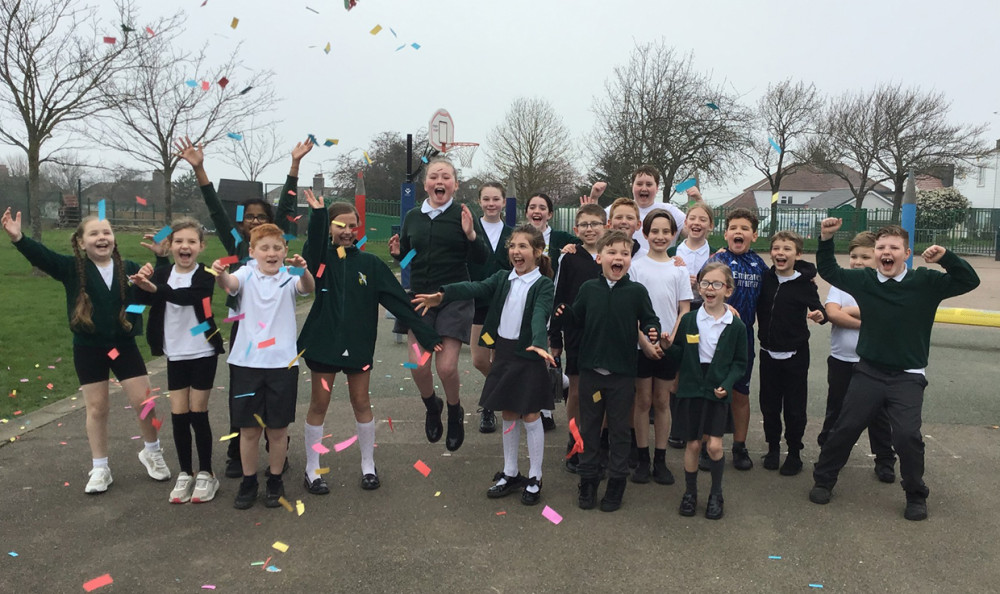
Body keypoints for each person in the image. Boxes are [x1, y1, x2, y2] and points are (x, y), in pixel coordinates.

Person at [809, 219, 979, 521]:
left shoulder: (925, 282)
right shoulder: (866, 281)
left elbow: (969, 281)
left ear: (907, 253)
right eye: (881, 248)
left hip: (908, 375)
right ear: (875, 254)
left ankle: (915, 495)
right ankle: (824, 479)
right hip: (869, 372)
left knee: (907, 435)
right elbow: (830, 271)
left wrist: (947, 258)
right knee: (846, 427)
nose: (886, 252)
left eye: (894, 248)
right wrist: (826, 238)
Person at [2, 208, 170, 494]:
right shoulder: (70, 269)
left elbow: (158, 293)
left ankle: (152, 451)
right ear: (81, 242)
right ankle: (100, 466)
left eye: (106, 233)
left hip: (123, 347)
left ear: (114, 240)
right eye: (94, 233)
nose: (101, 238)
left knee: (145, 402)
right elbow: (43, 257)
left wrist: (159, 259)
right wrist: (19, 239)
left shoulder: (129, 267)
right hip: (89, 348)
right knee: (97, 407)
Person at [175, 135, 306, 478]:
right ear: (242, 222)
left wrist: (294, 166)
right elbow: (216, 210)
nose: (253, 220)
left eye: (260, 216)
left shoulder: (275, 246)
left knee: (276, 407)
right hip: (244, 331)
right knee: (243, 397)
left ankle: (278, 451)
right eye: (249, 216)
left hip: (277, 337)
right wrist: (200, 168)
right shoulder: (237, 246)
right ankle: (238, 450)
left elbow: (289, 210)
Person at [297, 191, 441, 494]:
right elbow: (313, 245)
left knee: (361, 402)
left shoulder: (371, 264)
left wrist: (425, 333)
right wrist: (319, 215)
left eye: (352, 226)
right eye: (340, 225)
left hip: (358, 343)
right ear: (331, 228)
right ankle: (312, 470)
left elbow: (399, 301)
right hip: (324, 342)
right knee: (319, 404)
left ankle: (368, 465)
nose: (347, 232)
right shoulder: (321, 260)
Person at [414, 224, 556, 505]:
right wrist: (443, 295)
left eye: (523, 246)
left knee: (530, 415)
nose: (516, 251)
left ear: (537, 252)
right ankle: (511, 472)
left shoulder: (544, 284)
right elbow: (474, 287)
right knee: (509, 414)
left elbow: (540, 313)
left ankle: (536, 476)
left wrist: (540, 342)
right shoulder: (503, 278)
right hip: (503, 353)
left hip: (530, 354)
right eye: (513, 246)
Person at [553, 230, 660, 513]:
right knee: (589, 428)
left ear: (629, 260)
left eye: (624, 254)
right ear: (600, 258)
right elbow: (576, 319)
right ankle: (588, 480)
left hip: (622, 375)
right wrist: (566, 313)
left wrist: (653, 329)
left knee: (620, 432)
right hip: (590, 373)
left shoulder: (636, 292)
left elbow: (650, 318)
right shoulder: (589, 289)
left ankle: (616, 484)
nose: (619, 258)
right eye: (612, 252)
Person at [389, 158, 489, 452]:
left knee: (446, 367)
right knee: (418, 365)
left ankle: (455, 412)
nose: (439, 181)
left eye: (446, 176)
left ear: (455, 184)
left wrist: (471, 235)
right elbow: (409, 259)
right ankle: (432, 405)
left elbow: (481, 259)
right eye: (434, 176)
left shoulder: (463, 214)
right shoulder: (413, 218)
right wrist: (398, 255)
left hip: (453, 297)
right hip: (420, 299)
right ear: (426, 185)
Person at [212, 224, 315, 510]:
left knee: (277, 429)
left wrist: (304, 270)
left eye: (277, 248)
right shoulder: (246, 273)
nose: (271, 253)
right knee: (248, 430)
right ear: (252, 252)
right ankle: (248, 480)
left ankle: (275, 478)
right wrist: (220, 273)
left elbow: (307, 288)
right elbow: (230, 284)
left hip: (282, 364)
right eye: (265, 248)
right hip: (247, 364)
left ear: (285, 251)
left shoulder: (288, 276)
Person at [131, 218, 225, 503]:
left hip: (202, 351)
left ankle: (207, 473)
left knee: (198, 414)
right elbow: (141, 299)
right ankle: (186, 472)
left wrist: (155, 288)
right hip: (175, 353)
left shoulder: (206, 274)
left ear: (201, 246)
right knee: (179, 416)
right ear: (170, 246)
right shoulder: (162, 274)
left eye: (191, 242)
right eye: (178, 241)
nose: (185, 246)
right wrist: (143, 277)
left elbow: (187, 298)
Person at [664, 262, 748, 520]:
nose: (710, 289)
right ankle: (690, 494)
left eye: (717, 284)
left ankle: (716, 494)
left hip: (716, 391)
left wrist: (729, 382)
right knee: (691, 444)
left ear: (729, 290)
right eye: (705, 284)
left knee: (713, 445)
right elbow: (679, 354)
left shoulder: (735, 326)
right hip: (690, 390)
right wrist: (668, 346)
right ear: (698, 288)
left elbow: (740, 364)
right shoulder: (689, 320)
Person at [818, 231, 896, 483]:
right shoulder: (841, 283)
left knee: (879, 415)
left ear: (877, 257)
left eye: (865, 256)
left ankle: (885, 460)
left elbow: (886, 316)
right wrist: (869, 319)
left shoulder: (886, 284)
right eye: (853, 256)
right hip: (841, 359)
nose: (858, 261)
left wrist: (854, 312)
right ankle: (828, 454)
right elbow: (833, 314)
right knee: (837, 409)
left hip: (874, 361)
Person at [628, 210, 692, 485]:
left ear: (673, 234)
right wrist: (643, 341)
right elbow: (629, 309)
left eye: (666, 231)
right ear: (645, 234)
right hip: (640, 345)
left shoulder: (679, 267)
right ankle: (642, 459)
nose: (660, 236)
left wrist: (669, 343)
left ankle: (661, 461)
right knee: (642, 401)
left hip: (667, 347)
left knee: (663, 401)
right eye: (655, 231)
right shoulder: (635, 266)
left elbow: (684, 310)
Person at [755, 230, 827, 476]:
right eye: (776, 248)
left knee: (795, 408)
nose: (780, 253)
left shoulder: (805, 284)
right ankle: (773, 449)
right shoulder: (765, 278)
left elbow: (819, 309)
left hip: (796, 354)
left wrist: (820, 315)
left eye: (787, 249)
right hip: (768, 353)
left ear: (797, 254)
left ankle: (794, 453)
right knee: (769, 405)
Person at [706, 208, 766, 471]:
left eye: (744, 228)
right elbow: (703, 294)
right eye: (733, 228)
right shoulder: (717, 261)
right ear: (726, 233)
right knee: (711, 392)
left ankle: (740, 446)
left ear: (753, 235)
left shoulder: (760, 265)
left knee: (740, 392)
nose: (738, 232)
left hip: (743, 337)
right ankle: (708, 444)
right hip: (714, 336)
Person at [548, 204, 606, 472]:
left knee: (603, 391)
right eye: (584, 224)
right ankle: (575, 440)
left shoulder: (614, 255)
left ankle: (598, 444)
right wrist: (555, 337)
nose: (590, 228)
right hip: (577, 333)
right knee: (577, 389)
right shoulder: (568, 258)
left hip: (607, 334)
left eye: (595, 223)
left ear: (605, 227)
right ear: (576, 230)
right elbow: (559, 298)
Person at [667, 199, 715, 449]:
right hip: (679, 313)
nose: (696, 223)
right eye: (692, 219)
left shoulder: (715, 254)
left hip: (705, 313)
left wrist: (702, 285)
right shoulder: (673, 251)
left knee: (702, 370)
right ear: (684, 224)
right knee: (678, 373)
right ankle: (678, 427)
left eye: (702, 219)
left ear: (711, 226)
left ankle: (701, 428)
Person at [468, 182, 513, 434]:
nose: (491, 203)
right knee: (479, 359)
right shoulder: (470, 229)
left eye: (496, 199)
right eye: (486, 199)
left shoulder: (512, 234)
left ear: (504, 202)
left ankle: (488, 406)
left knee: (500, 357)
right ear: (480, 201)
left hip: (506, 303)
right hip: (479, 304)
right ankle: (505, 390)